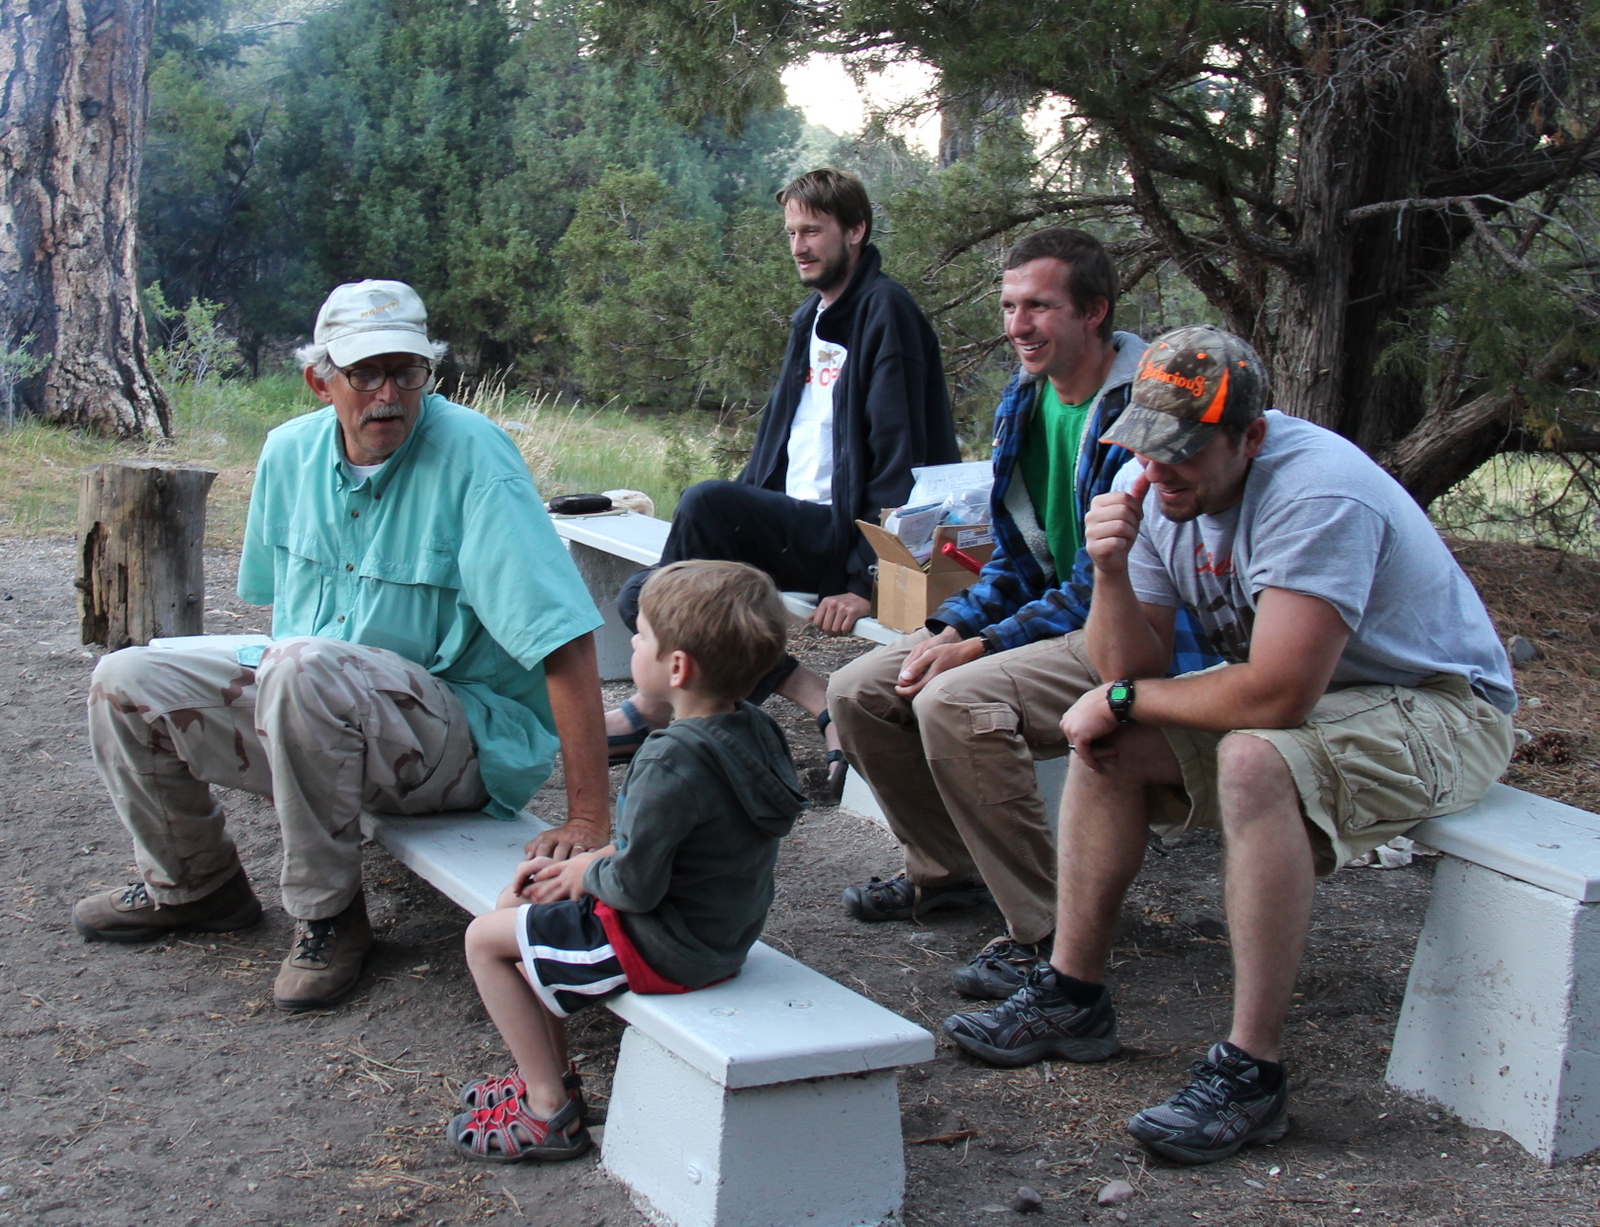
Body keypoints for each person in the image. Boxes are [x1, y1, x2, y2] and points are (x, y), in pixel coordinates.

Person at [941, 325, 1516, 1164]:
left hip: (1444, 706)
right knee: (1113, 740)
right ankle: (1071, 992)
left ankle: (1252, 1072)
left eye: (1184, 449)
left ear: (1251, 435)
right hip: (1326, 699)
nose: (1159, 468)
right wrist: (1109, 572)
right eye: (1146, 444)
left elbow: (1278, 694)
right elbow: (1128, 666)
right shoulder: (1153, 489)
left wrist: (1126, 694)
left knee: (1250, 759)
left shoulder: (1317, 493)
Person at [73, 279, 612, 1011]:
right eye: (365, 373)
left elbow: (565, 640)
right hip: (324, 707)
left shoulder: (475, 457)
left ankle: (329, 917)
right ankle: (195, 884)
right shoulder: (287, 454)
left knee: (301, 668)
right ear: (320, 380)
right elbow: (281, 621)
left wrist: (587, 818)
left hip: (460, 741)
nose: (388, 394)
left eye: (407, 371)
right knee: (126, 677)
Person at [827, 229, 1217, 999]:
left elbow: (1100, 585)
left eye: (1038, 306)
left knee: (954, 700)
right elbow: (1015, 560)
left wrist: (980, 648)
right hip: (1057, 615)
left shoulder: (1141, 410)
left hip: (1133, 631)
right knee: (860, 689)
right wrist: (948, 628)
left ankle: (1048, 932)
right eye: (1008, 306)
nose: (1017, 325)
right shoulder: (1026, 401)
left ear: (1094, 311)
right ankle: (947, 873)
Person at [605, 168, 958, 795]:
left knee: (702, 513)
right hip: (793, 525)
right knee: (645, 597)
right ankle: (814, 696)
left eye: (813, 231)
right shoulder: (811, 320)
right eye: (791, 232)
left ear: (856, 230)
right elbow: (780, 445)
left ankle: (654, 710)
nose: (799, 246)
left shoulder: (885, 312)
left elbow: (901, 461)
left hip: (840, 537)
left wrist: (866, 582)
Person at [448, 561, 805, 1162]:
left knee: (485, 940)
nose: (632, 644)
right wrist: (594, 862)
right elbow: (697, 841)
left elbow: (635, 888)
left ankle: (547, 1110)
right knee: (520, 903)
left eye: (640, 637)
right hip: (721, 929)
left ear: (677, 667)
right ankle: (548, 1076)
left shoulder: (669, 760)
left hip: (666, 943)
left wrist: (586, 871)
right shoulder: (755, 730)